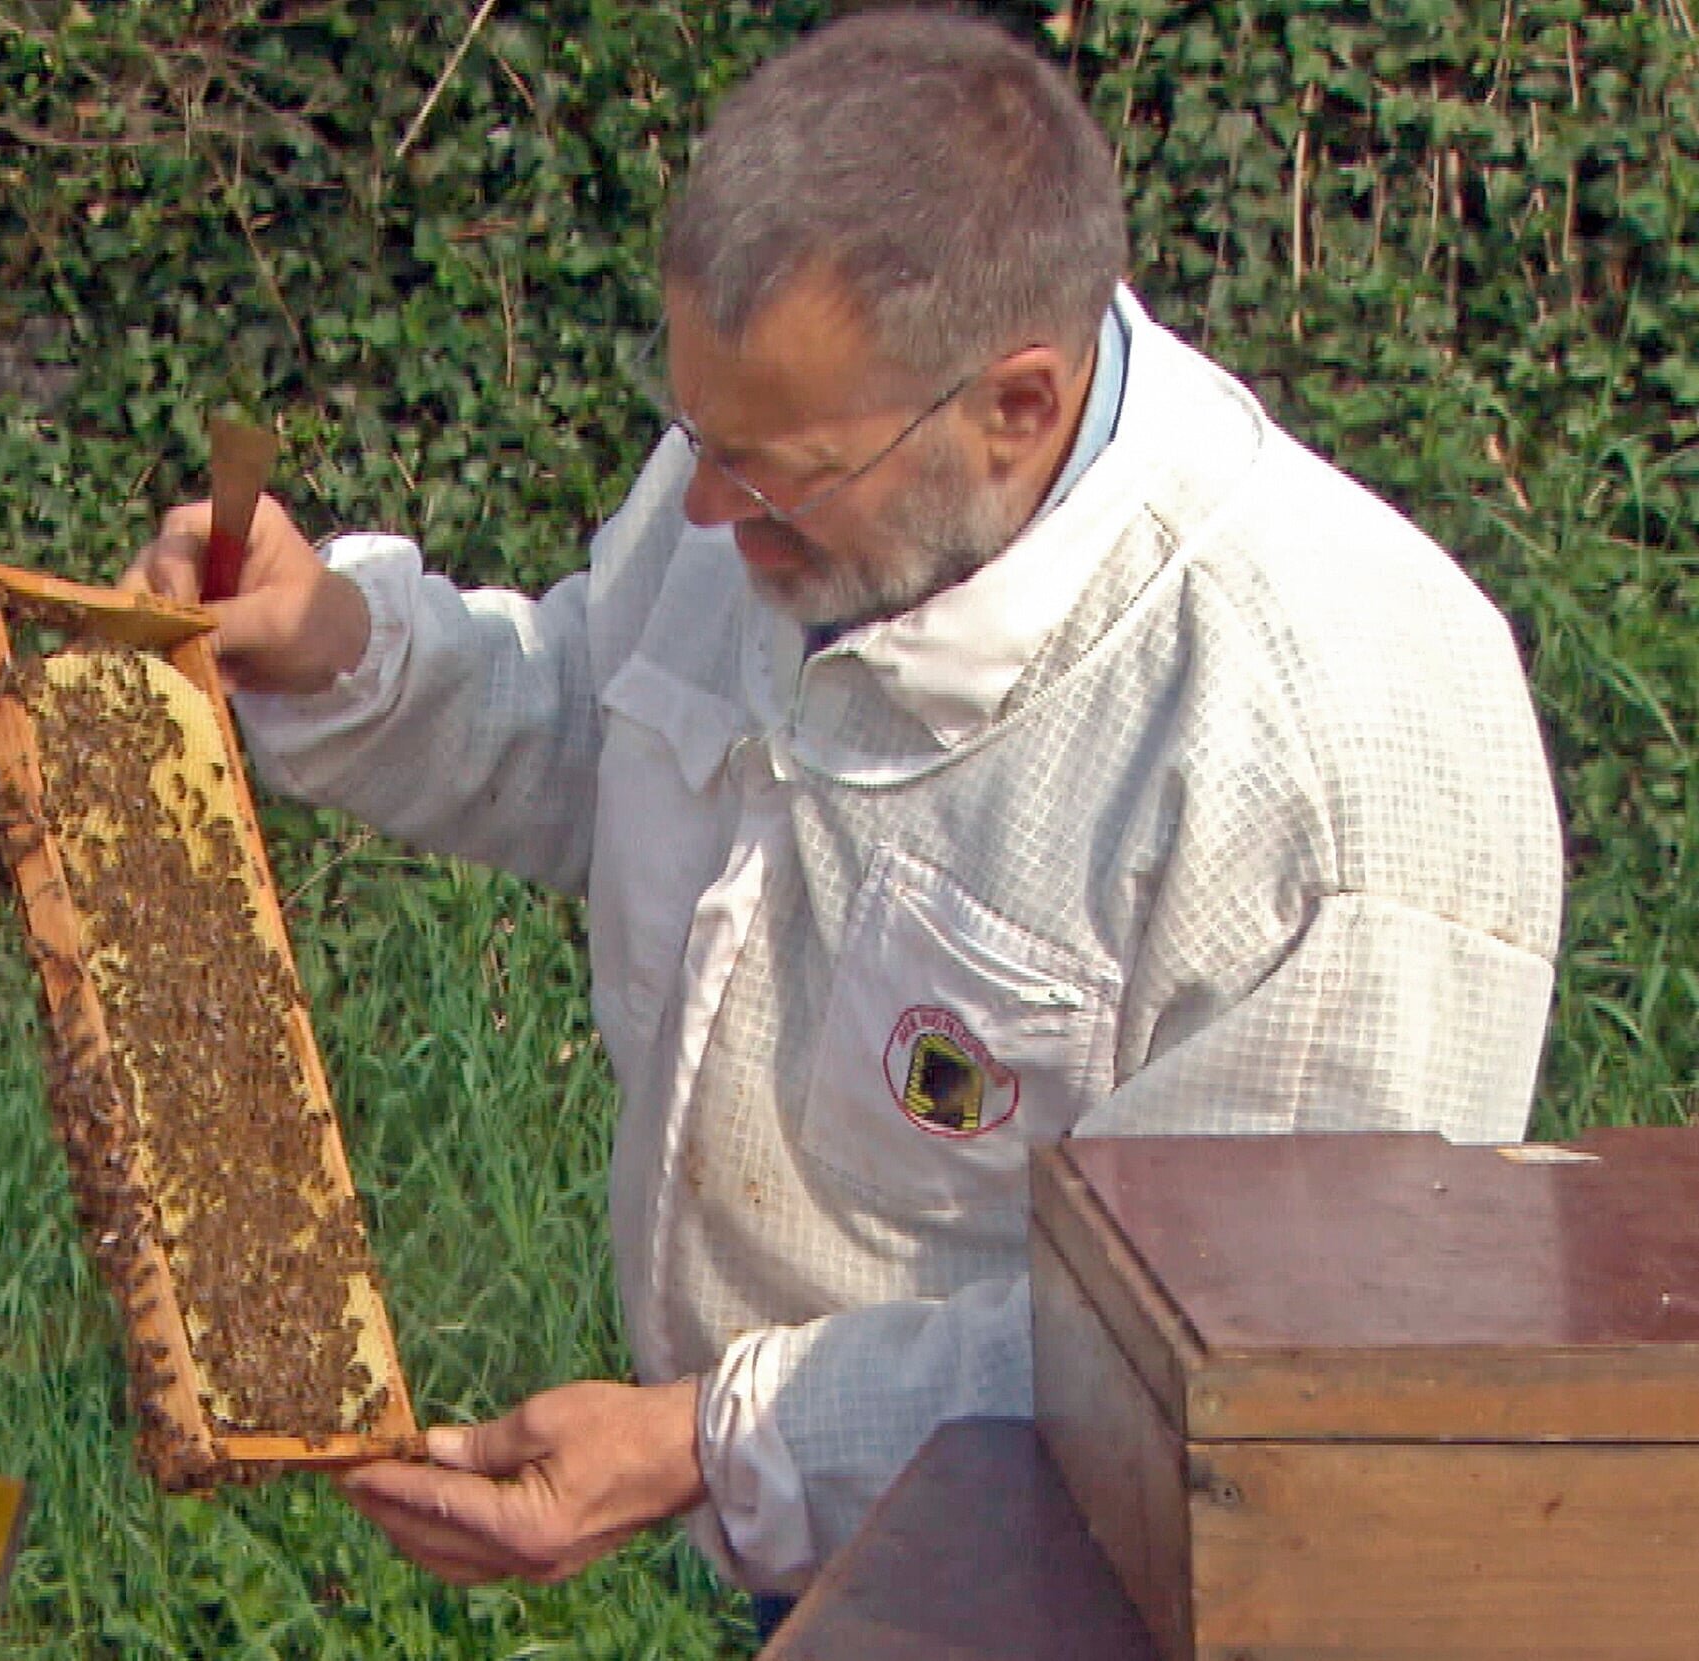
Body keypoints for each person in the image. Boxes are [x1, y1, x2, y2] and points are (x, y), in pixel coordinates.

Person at [120, 7, 1565, 1625]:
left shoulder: (1324, 742)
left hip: (1152, 1606)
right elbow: (609, 730)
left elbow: (1253, 1354)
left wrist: (720, 1439)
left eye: (771, 472)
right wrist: (347, 650)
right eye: (700, 443)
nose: (712, 509)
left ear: (1014, 405)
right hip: (846, 1572)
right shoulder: (784, 467)